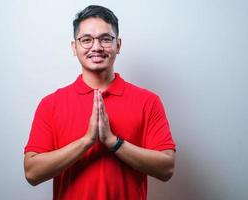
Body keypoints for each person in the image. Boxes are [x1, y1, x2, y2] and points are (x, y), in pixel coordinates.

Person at [24, 5, 176, 200]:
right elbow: (32, 173)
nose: (96, 47)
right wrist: (87, 141)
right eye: (86, 40)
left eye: (105, 39)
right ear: (74, 47)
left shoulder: (148, 101)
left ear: (118, 45)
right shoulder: (51, 104)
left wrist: (113, 141)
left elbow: (166, 168)